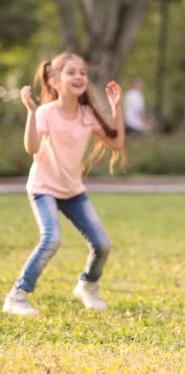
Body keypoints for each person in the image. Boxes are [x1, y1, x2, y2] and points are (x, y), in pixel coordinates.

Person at [3, 53, 125, 316]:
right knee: (51, 239)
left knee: (102, 244)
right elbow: (32, 147)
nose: (80, 76)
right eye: (72, 72)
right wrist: (31, 112)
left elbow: (116, 143)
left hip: (73, 191)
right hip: (43, 187)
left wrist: (116, 107)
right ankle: (17, 296)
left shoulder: (87, 115)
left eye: (82, 72)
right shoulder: (46, 113)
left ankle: (87, 286)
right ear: (55, 81)